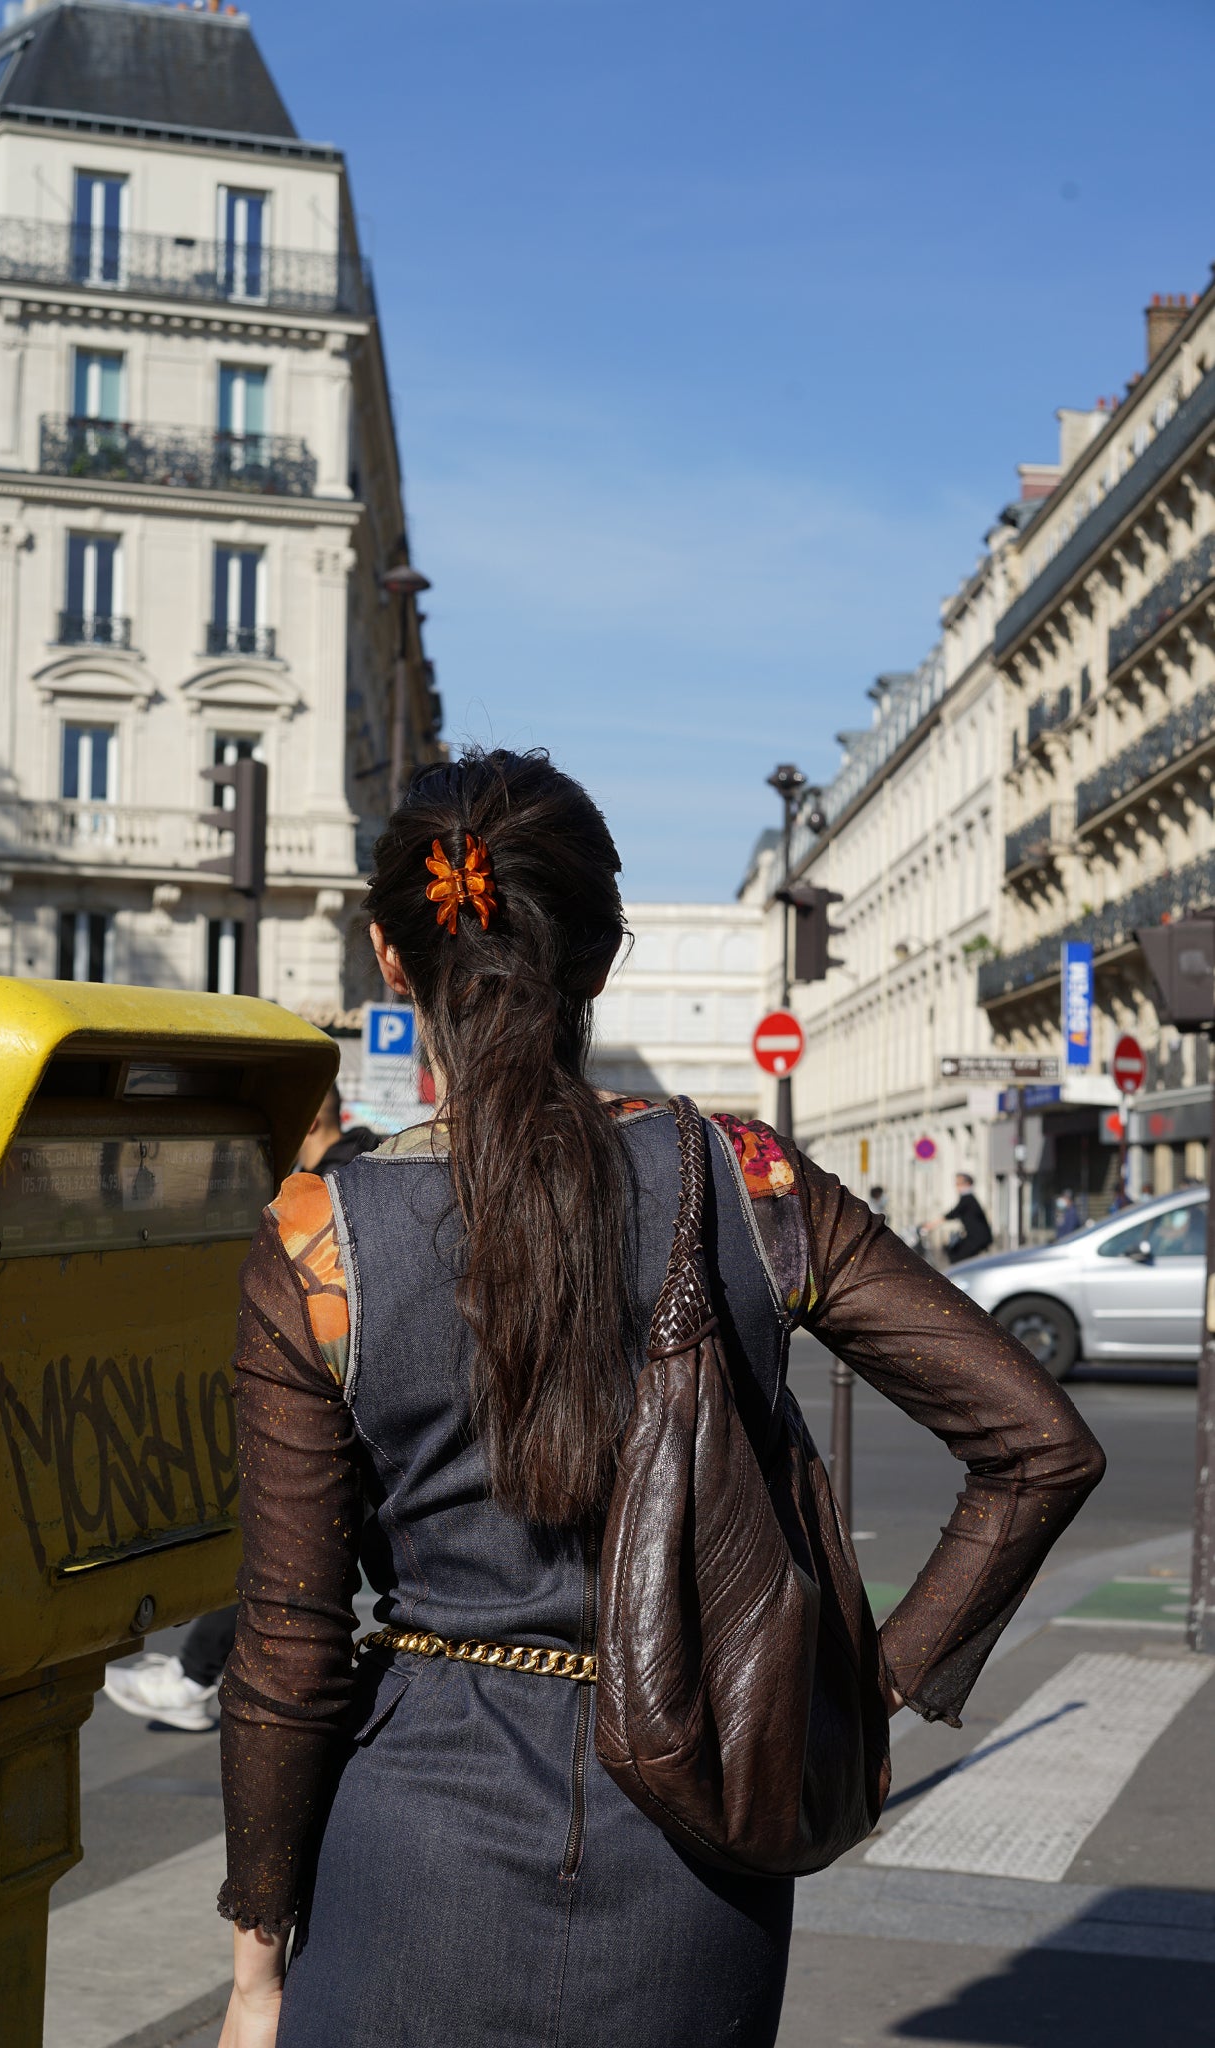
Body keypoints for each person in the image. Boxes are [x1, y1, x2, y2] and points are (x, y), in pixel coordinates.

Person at [214, 749, 1104, 2048]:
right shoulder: (745, 1179)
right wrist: (867, 1681)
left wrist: (255, 1964)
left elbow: (288, 1651)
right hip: (701, 1837)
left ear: (388, 962)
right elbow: (1039, 1448)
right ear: (604, 956)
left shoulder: (319, 1241)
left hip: (415, 1855)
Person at [103, 1086, 381, 1732]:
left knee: (286, 1553)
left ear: (310, 1119)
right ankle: (203, 1676)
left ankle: (199, 1679)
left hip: (332, 1405)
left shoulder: (326, 1194)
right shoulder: (366, 1174)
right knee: (299, 1558)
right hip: (363, 1410)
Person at [921, 1170, 992, 1265]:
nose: (956, 1186)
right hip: (976, 1237)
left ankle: (960, 1277)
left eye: (959, 1183)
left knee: (956, 1255)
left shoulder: (968, 1198)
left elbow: (952, 1213)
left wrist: (930, 1225)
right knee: (958, 1253)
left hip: (978, 1238)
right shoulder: (968, 1198)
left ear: (967, 1184)